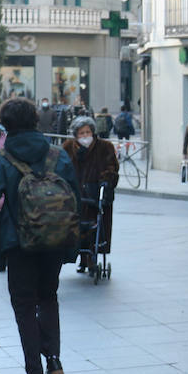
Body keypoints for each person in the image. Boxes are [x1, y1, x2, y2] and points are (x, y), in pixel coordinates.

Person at [0, 97, 79, 374]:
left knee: (24, 304)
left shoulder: (0, 159)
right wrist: (72, 247)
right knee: (48, 297)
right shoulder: (58, 155)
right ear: (36, 120)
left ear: (5, 125)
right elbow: (74, 199)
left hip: (18, 243)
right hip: (54, 241)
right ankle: (54, 362)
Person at [62, 116, 119, 274]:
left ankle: (92, 259)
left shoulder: (105, 147)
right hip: (75, 194)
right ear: (76, 134)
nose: (85, 136)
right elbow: (61, 167)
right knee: (77, 227)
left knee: (96, 227)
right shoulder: (67, 147)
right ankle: (81, 258)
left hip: (96, 193)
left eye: (88, 132)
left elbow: (112, 167)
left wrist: (106, 181)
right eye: (81, 133)